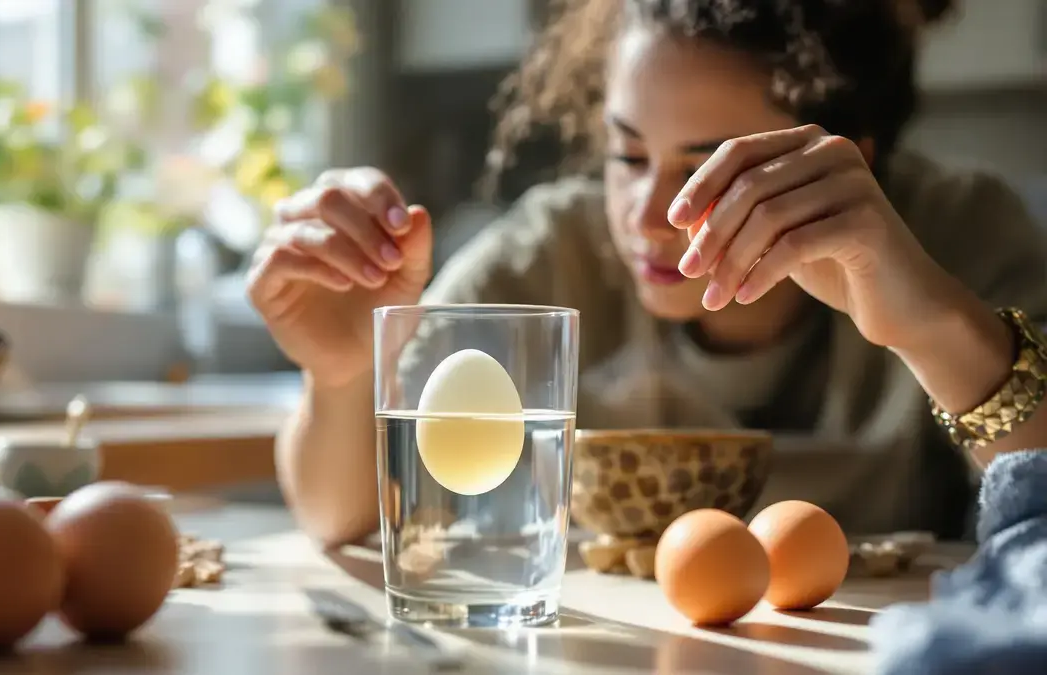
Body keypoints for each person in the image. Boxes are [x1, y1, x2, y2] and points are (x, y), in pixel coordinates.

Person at [247, 0, 1047, 547]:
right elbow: (343, 517)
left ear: (848, 160)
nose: (645, 213)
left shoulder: (954, 234)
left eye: (708, 173)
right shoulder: (550, 256)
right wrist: (345, 374)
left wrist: (937, 330)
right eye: (628, 156)